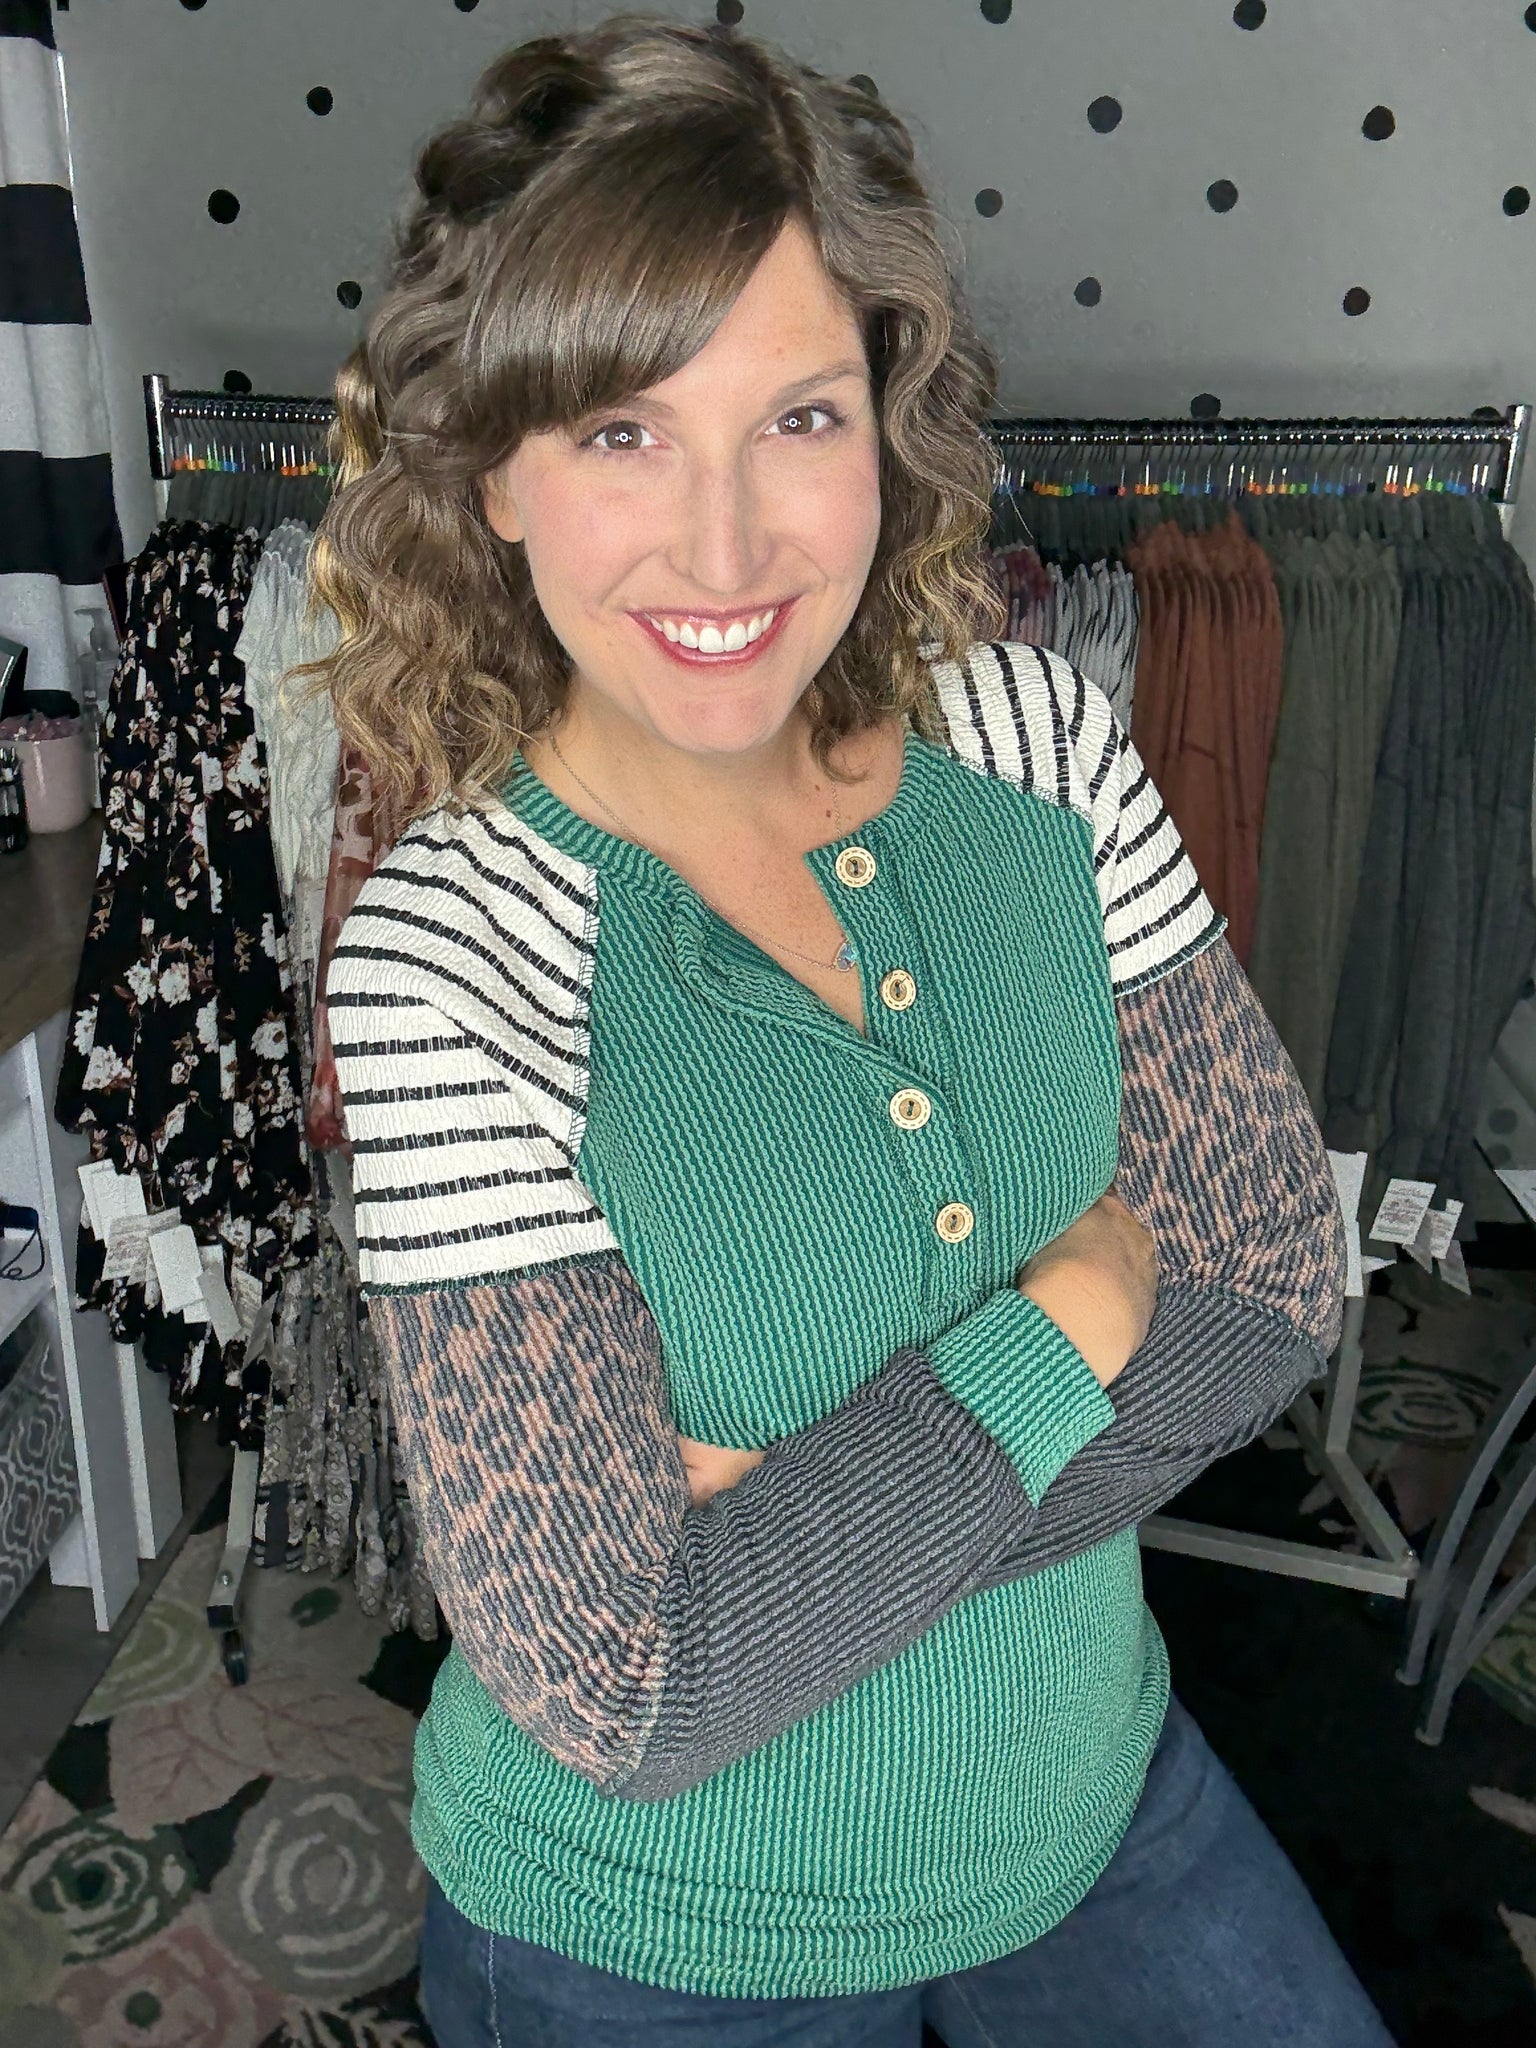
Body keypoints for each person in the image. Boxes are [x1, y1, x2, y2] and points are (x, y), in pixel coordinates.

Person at [315, 17, 1397, 2045]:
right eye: (622, 432)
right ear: (491, 474)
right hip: (645, 1938)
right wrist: (1076, 1315)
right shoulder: (453, 957)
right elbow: (626, 1686)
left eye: (797, 418)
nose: (726, 549)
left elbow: (1264, 1288)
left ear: (887, 423)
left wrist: (781, 1538)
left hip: (1090, 1799)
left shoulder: (1036, 742)